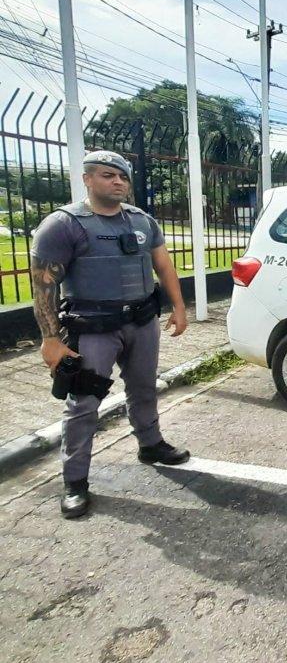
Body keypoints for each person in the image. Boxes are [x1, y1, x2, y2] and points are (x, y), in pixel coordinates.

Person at [30, 150, 191, 519]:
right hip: (92, 329)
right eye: (107, 175)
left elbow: (163, 265)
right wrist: (50, 338)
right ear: (87, 179)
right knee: (84, 403)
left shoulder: (142, 220)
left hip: (141, 323)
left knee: (144, 388)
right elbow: (44, 284)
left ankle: (150, 445)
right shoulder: (63, 224)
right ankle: (74, 482)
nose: (117, 182)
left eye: (122, 177)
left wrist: (179, 308)